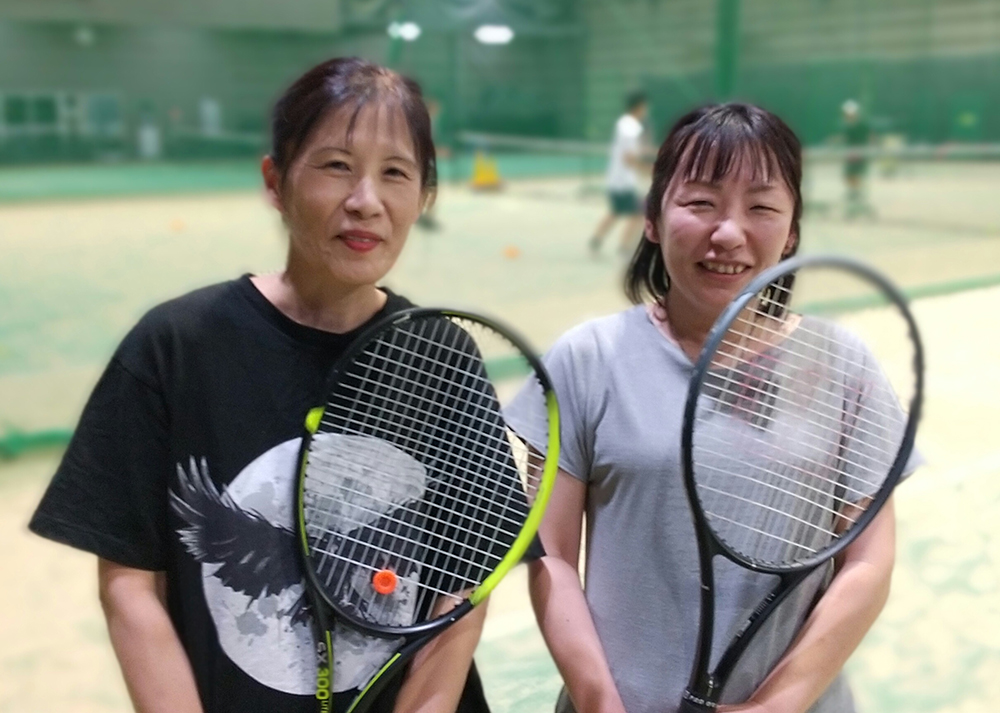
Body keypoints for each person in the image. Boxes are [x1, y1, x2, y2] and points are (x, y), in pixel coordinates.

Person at [29, 57, 493, 713]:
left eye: (395, 172)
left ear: (424, 196)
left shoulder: (443, 356)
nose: (366, 200)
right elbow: (131, 582)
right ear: (276, 182)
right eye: (336, 165)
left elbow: (464, 587)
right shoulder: (175, 346)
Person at [507, 103, 916, 713]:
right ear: (652, 217)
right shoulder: (586, 359)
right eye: (701, 202)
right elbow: (552, 557)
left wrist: (775, 705)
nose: (728, 233)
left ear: (792, 231)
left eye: (761, 207)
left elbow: (868, 562)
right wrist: (600, 702)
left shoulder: (842, 364)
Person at [588, 91, 650, 257]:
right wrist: (647, 169)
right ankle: (624, 247)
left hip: (617, 180)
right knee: (638, 213)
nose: (646, 111)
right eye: (645, 107)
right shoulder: (631, 127)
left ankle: (596, 240)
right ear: (639, 107)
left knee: (616, 211)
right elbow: (628, 157)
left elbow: (632, 152)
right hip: (623, 181)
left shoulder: (624, 124)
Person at [841, 99, 876, 219]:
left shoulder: (861, 126)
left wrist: (864, 151)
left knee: (856, 175)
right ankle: (854, 193)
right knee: (849, 175)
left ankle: (857, 194)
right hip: (851, 156)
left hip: (859, 156)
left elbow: (870, 137)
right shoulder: (848, 126)